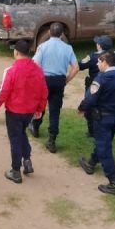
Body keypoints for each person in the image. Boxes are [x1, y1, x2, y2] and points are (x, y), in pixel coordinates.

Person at [77, 51, 115, 196]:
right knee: (104, 141)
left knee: (104, 148)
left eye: (98, 62)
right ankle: (91, 163)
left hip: (102, 118)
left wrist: (82, 108)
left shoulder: (102, 78)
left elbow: (90, 99)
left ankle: (114, 183)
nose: (97, 64)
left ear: (105, 62)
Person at [0, 40, 48, 184]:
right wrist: (40, 109)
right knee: (21, 133)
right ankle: (27, 160)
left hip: (14, 111)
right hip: (29, 111)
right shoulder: (38, 70)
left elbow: (4, 90)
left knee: (15, 139)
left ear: (16, 52)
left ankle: (15, 170)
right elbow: (44, 91)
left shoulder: (10, 70)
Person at [30, 23, 79, 153]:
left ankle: (35, 126)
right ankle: (51, 140)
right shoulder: (68, 48)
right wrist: (66, 80)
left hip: (45, 80)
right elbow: (76, 67)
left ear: (50, 33)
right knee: (55, 110)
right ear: (62, 34)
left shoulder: (42, 47)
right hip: (59, 81)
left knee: (40, 105)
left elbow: (34, 64)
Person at [79, 35, 113, 137]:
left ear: (100, 46)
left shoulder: (94, 56)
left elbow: (80, 65)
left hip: (94, 86)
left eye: (97, 43)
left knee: (89, 109)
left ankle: (92, 131)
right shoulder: (113, 56)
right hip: (108, 86)